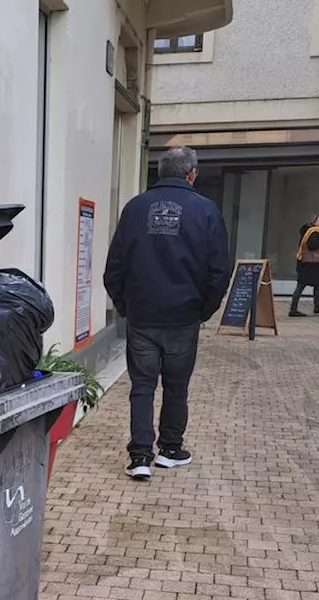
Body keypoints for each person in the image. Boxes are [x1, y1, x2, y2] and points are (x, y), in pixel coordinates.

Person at [103, 145, 230, 482]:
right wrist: (203, 310)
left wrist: (126, 306)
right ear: (192, 173)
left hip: (143, 316)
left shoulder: (134, 209)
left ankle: (140, 456)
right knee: (176, 386)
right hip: (183, 316)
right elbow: (219, 271)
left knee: (142, 387)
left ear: (160, 173)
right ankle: (170, 450)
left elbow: (113, 268)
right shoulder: (205, 211)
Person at [290, 216, 319, 316]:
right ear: (314, 222)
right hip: (310, 264)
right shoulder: (313, 233)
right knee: (301, 285)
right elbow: (313, 246)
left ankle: (317, 306)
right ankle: (293, 309)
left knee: (318, 283)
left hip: (308, 263)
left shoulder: (308, 232)